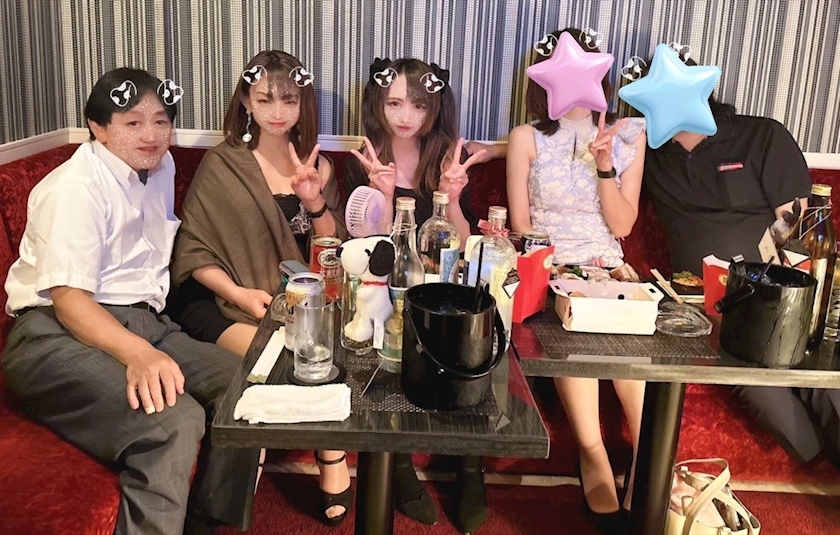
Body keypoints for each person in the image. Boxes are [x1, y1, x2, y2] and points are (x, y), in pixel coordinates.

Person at [1, 67, 259, 535]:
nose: (151, 135)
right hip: (53, 333)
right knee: (173, 420)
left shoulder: (161, 168)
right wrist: (139, 354)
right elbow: (70, 301)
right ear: (98, 128)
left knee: (246, 388)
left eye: (161, 121)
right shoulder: (74, 188)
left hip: (143, 320)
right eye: (133, 122)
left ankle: (206, 522)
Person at [167, 51, 352, 526]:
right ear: (246, 102)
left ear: (302, 105)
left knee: (318, 355)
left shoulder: (320, 166)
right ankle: (317, 457)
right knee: (281, 364)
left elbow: (334, 252)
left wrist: (314, 201)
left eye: (289, 100)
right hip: (220, 300)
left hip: (299, 302)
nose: (277, 111)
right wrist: (239, 294)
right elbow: (193, 251)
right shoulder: (222, 163)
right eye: (265, 99)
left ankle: (329, 457)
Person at [637, 52, 840, 470]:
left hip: (782, 295)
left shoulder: (760, 136)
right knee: (759, 389)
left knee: (821, 379)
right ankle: (819, 462)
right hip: (709, 311)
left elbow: (799, 229)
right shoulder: (649, 152)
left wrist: (770, 281)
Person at [505, 28, 647, 534]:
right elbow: (522, 226)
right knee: (575, 331)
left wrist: (605, 165)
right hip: (553, 272)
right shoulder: (526, 137)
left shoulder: (630, 135)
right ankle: (594, 454)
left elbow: (623, 225)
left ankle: (649, 466)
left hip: (611, 268)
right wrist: (556, 270)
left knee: (633, 367)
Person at [344, 57, 488, 533]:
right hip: (388, 293)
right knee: (392, 332)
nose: (406, 116)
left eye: (419, 105)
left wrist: (453, 194)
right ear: (377, 104)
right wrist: (381, 194)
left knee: (472, 335)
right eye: (394, 103)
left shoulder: (447, 158)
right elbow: (373, 252)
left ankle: (470, 469)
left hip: (442, 292)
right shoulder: (363, 160)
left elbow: (465, 244)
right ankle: (400, 465)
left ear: (435, 109)